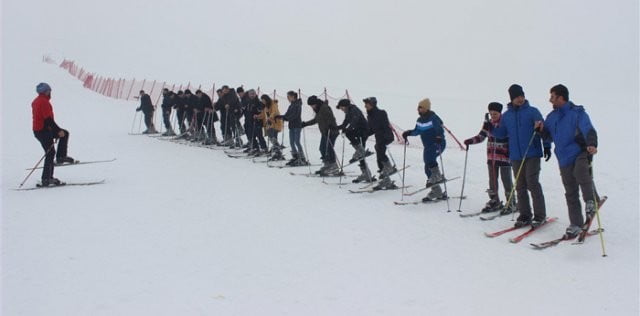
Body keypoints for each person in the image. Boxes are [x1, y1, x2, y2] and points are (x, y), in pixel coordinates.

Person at [539, 84, 599, 238]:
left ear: (561, 97)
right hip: (563, 156)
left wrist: (591, 143)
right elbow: (547, 135)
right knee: (570, 191)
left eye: (552, 96)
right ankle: (576, 223)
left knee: (581, 173)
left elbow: (588, 129)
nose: (550, 100)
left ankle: (591, 201)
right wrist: (540, 130)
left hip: (579, 151)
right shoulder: (551, 118)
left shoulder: (577, 112)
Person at [489, 84, 549, 228]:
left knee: (532, 183)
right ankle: (524, 214)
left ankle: (540, 215)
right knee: (520, 185)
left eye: (521, 96)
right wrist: (489, 127)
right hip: (515, 155)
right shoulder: (507, 116)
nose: (520, 99)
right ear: (512, 98)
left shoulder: (532, 111)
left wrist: (546, 144)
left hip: (532, 153)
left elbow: (543, 129)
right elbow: (501, 133)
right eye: (517, 97)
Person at [463, 102, 516, 214]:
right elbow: (481, 136)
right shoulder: (488, 123)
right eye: (491, 114)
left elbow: (509, 136)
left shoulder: (505, 122)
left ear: (500, 113)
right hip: (491, 157)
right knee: (492, 181)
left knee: (506, 180)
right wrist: (470, 141)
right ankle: (494, 200)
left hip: (504, 157)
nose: (493, 116)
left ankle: (511, 202)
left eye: (495, 114)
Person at [402, 98, 447, 201]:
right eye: (418, 108)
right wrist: (408, 133)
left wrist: (439, 137)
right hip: (428, 146)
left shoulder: (433, 118)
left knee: (429, 158)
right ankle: (437, 191)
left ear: (426, 108)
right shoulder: (419, 120)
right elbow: (417, 131)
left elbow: (439, 129)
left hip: (437, 144)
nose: (419, 110)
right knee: (427, 167)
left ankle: (437, 176)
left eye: (421, 108)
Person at [31, 82, 75, 186]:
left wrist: (56, 131)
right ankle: (47, 178)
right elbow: (48, 120)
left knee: (65, 134)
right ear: (46, 92)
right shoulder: (43, 102)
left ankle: (61, 157)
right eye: (49, 91)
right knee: (50, 153)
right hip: (43, 130)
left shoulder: (37, 101)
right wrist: (57, 130)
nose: (50, 93)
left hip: (40, 130)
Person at [336, 99, 373, 183]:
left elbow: (354, 122)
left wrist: (347, 129)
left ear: (345, 106)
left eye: (341, 107)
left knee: (349, 134)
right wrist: (337, 128)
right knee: (361, 156)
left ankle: (360, 152)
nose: (341, 109)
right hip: (359, 131)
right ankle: (366, 173)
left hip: (363, 131)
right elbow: (346, 122)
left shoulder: (354, 110)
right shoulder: (349, 111)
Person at [301, 95, 340, 175]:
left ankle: (334, 166)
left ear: (316, 103)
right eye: (310, 106)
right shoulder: (319, 109)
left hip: (331, 132)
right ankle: (328, 164)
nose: (312, 107)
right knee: (322, 148)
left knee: (329, 148)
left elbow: (331, 118)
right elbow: (316, 120)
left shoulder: (324, 108)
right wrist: (305, 124)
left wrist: (329, 127)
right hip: (325, 132)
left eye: (312, 105)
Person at [364, 97, 397, 190]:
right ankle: (386, 180)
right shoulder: (369, 115)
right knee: (379, 157)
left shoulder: (381, 113)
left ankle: (389, 168)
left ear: (373, 104)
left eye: (367, 104)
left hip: (386, 136)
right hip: (379, 138)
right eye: (365, 104)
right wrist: (364, 134)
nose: (365, 106)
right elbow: (371, 129)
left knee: (380, 152)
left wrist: (386, 137)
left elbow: (386, 125)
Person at [278, 91, 307, 166]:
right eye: (287, 97)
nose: (287, 98)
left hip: (297, 126)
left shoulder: (298, 105)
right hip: (291, 126)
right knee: (291, 142)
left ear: (293, 96)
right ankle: (295, 156)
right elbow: (287, 114)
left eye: (288, 97)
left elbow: (295, 115)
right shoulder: (291, 105)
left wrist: (286, 118)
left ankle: (302, 157)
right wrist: (280, 117)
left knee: (297, 142)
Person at [259, 94, 285, 161]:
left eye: (264, 100)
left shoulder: (273, 104)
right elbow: (264, 115)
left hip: (275, 123)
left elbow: (274, 112)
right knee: (271, 137)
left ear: (266, 99)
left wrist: (270, 118)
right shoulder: (266, 106)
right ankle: (276, 150)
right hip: (270, 124)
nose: (263, 102)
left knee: (273, 137)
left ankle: (277, 152)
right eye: (262, 101)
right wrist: (260, 118)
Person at [246, 89, 268, 155]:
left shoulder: (258, 101)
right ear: (249, 95)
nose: (252, 95)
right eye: (251, 94)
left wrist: (257, 114)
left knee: (259, 135)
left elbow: (262, 110)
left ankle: (264, 148)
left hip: (257, 121)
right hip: (250, 121)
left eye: (253, 94)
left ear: (255, 94)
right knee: (252, 136)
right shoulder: (249, 101)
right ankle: (255, 148)